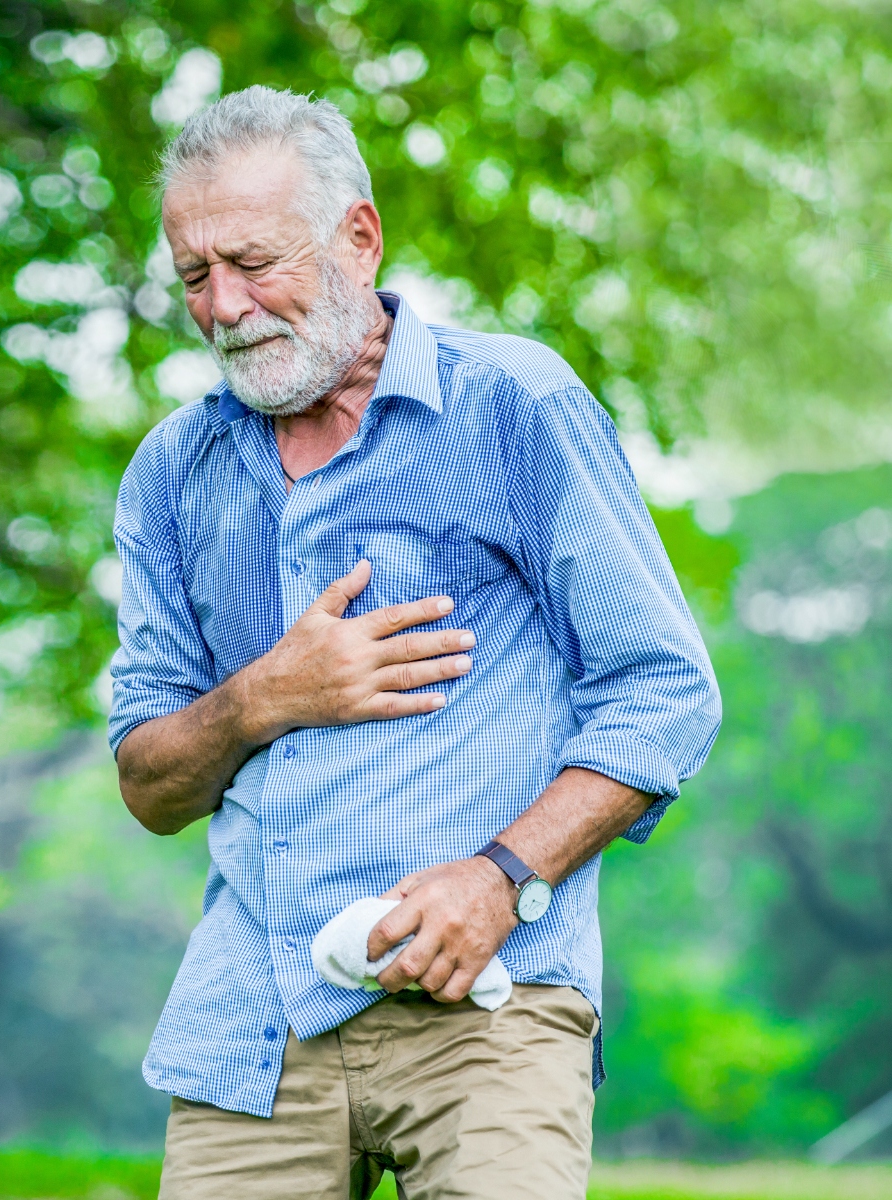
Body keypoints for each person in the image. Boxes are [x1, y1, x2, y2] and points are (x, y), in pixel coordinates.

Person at [108, 86, 721, 1199]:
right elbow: (150, 785)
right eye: (194, 275)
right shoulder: (170, 473)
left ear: (359, 236)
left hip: (490, 1004)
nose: (225, 307)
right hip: (253, 1022)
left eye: (252, 262)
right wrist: (264, 696)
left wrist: (500, 880)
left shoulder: (515, 406)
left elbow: (664, 693)